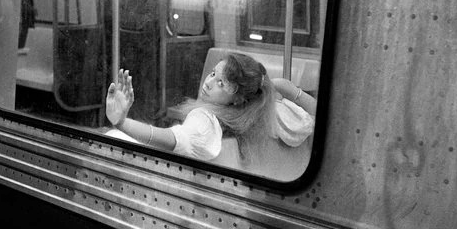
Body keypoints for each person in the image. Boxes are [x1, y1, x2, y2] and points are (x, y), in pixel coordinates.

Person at [105, 53, 316, 162]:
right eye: (213, 74)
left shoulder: (205, 120)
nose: (208, 82)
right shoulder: (269, 114)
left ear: (238, 100)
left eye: (221, 84)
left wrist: (122, 123)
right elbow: (314, 116)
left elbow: (172, 139)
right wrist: (289, 90)